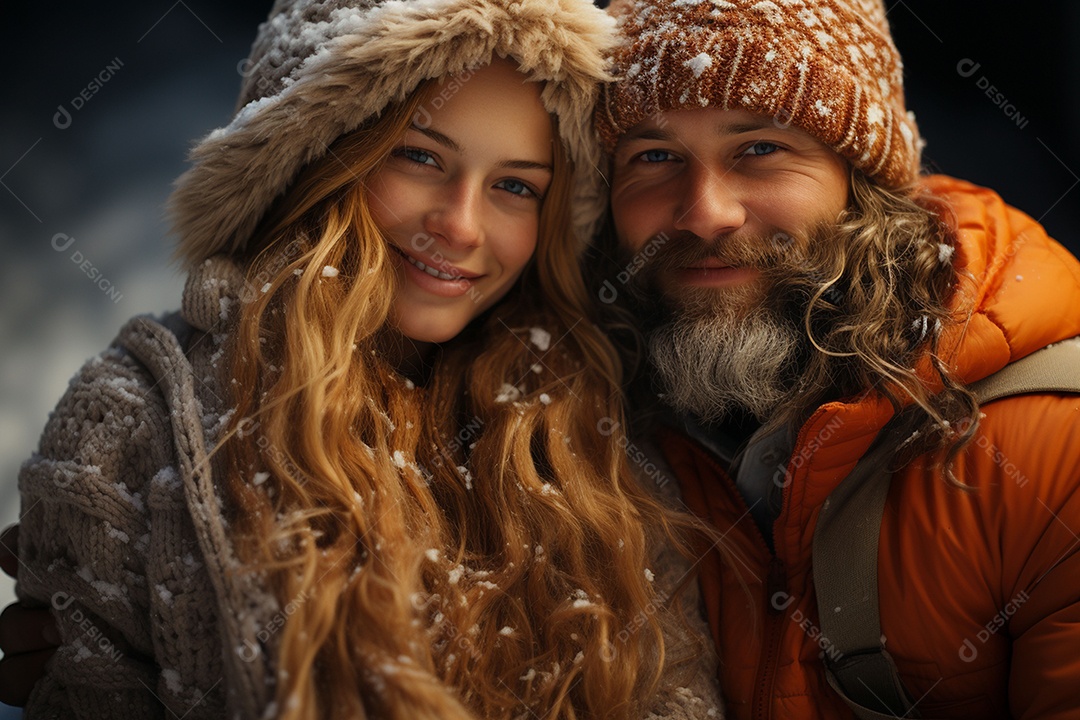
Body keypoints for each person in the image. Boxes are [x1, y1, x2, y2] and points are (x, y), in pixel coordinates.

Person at [1, 1, 725, 718]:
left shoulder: (594, 451)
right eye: (419, 156)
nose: (462, 224)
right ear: (310, 159)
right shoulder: (129, 418)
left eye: (514, 186)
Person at [589, 0, 1080, 718]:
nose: (704, 211)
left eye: (759, 148)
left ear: (863, 182)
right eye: (653, 156)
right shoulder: (579, 419)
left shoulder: (1053, 451)